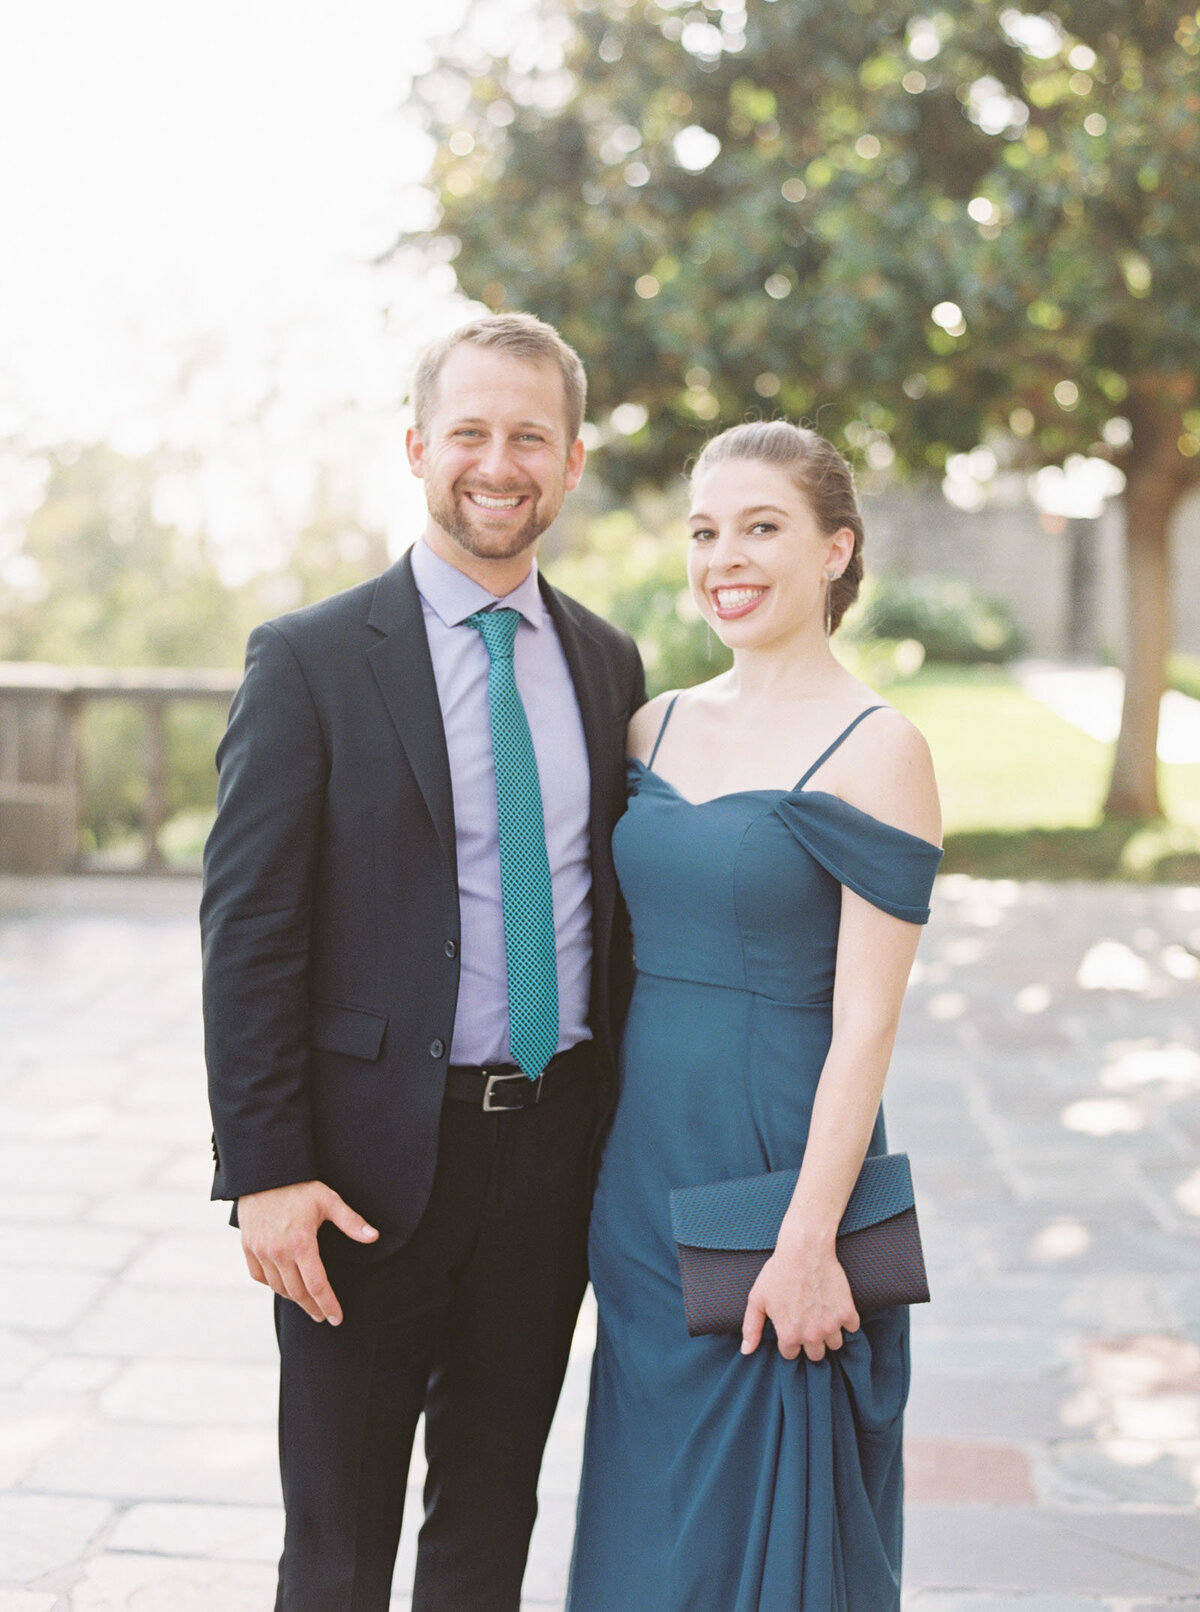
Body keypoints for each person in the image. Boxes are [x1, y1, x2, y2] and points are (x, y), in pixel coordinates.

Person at [201, 312, 645, 1612]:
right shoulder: (313, 660)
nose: (497, 463)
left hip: (551, 1163)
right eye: (470, 432)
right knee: (336, 1551)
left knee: (489, 1534)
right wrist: (268, 1170)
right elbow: (251, 936)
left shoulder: (609, 665)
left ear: (571, 465)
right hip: (358, 1175)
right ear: (415, 447)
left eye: (529, 437)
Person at [567, 420, 943, 1612]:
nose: (724, 556)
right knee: (648, 1514)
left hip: (781, 1174)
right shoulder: (651, 724)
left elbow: (869, 1025)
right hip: (639, 1184)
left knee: (765, 1518)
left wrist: (807, 1238)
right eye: (705, 530)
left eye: (762, 526)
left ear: (837, 549)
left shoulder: (882, 748)